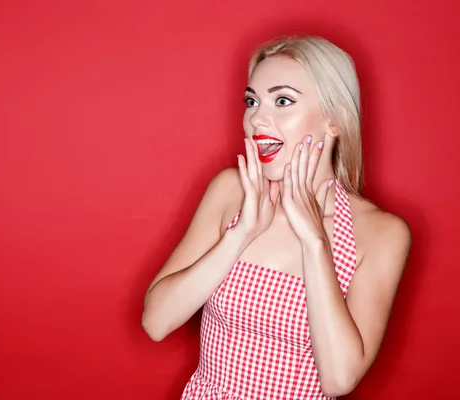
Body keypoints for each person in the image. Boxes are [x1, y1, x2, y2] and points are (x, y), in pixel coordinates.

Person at [141, 35, 412, 399]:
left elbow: (339, 379)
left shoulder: (381, 232)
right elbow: (156, 322)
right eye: (252, 101)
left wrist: (315, 243)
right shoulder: (231, 190)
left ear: (336, 119)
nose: (256, 118)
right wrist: (240, 235)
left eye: (282, 101)